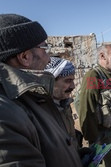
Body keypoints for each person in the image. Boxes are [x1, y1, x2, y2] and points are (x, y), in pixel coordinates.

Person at [0, 14, 82, 166]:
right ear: (25, 57)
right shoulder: (5, 113)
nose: (49, 59)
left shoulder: (30, 96)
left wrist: (76, 157)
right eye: (45, 49)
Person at [44, 56, 83, 149]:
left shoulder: (65, 104)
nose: (73, 86)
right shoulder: (42, 110)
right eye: (68, 81)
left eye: (72, 80)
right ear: (51, 82)